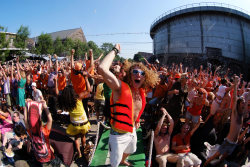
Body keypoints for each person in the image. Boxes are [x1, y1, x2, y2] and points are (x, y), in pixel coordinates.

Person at [98, 44, 158, 167]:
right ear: (130, 75)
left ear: (145, 78)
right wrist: (115, 50)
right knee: (113, 164)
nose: (139, 75)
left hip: (132, 130)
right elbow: (102, 68)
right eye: (135, 72)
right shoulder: (120, 88)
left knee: (132, 149)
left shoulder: (142, 92)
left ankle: (122, 160)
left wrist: (136, 120)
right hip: (118, 134)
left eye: (142, 73)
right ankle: (118, 161)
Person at [204, 76, 249, 166]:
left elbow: (247, 100)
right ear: (239, 104)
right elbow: (235, 98)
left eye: (245, 102)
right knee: (214, 157)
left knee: (222, 159)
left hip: (234, 143)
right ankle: (204, 165)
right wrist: (236, 84)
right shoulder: (235, 113)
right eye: (242, 102)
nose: (244, 103)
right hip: (228, 141)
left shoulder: (242, 115)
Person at [57, 76, 91, 159]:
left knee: (76, 138)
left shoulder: (66, 102)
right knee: (83, 136)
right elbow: (89, 90)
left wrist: (56, 82)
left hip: (74, 124)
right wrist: (86, 79)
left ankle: (79, 152)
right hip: (84, 123)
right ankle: (84, 150)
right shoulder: (78, 98)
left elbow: (57, 93)